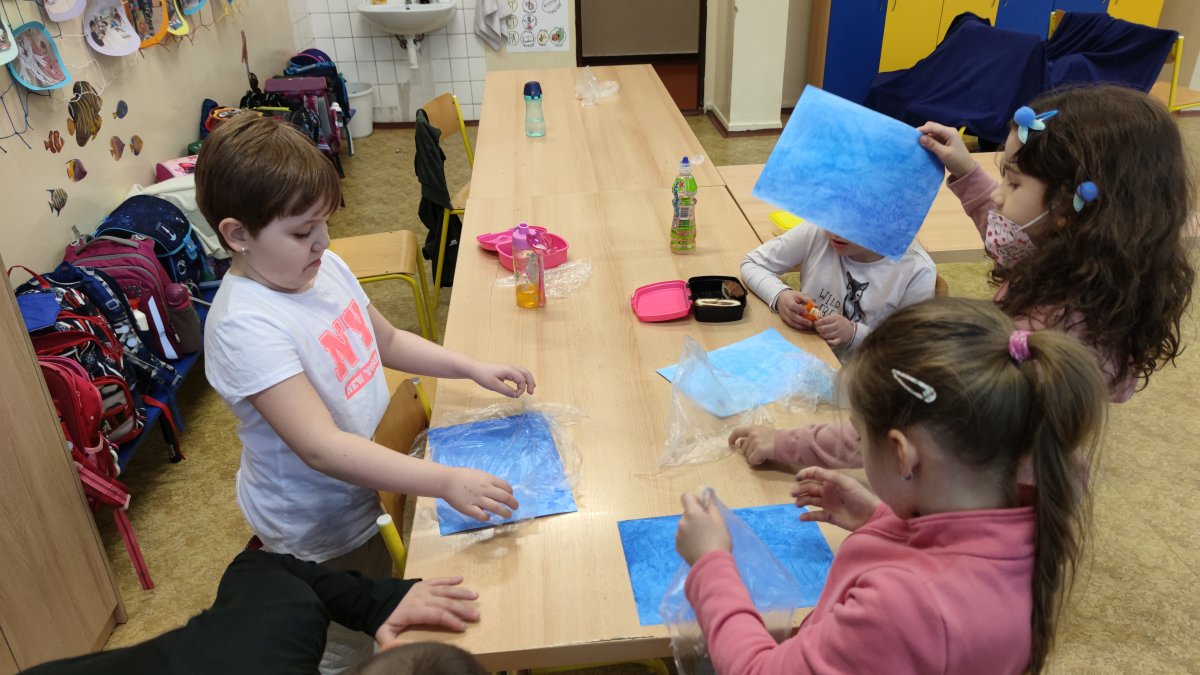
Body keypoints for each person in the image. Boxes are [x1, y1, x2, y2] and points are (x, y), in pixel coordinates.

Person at [196, 113, 536, 672]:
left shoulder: (320, 267)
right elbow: (322, 448)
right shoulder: (244, 326)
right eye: (302, 232)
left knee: (387, 598)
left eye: (325, 224)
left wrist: (469, 366)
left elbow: (389, 340)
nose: (323, 242)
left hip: (370, 485)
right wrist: (445, 480)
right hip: (320, 528)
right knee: (348, 647)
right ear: (237, 236)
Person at [731, 84, 1194, 470]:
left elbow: (923, 422)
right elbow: (1007, 239)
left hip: (978, 479)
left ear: (1069, 208)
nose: (998, 197)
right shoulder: (1089, 271)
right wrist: (966, 169)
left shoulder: (1036, 337)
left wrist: (790, 445)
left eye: (1013, 182)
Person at [675, 297, 1108, 674]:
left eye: (861, 436)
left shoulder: (904, 606)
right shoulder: (1031, 523)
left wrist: (711, 562)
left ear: (903, 455)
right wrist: (878, 517)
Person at [22, 550, 484, 674]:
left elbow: (258, 567)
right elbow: (259, 563)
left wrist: (375, 602)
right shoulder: (275, 637)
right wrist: (374, 601)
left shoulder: (280, 628)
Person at [740, 221, 935, 355]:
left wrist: (854, 334)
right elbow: (752, 263)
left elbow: (911, 348)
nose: (836, 233)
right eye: (830, 217)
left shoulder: (917, 269)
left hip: (864, 377)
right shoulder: (817, 231)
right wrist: (780, 295)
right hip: (807, 353)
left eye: (850, 224)